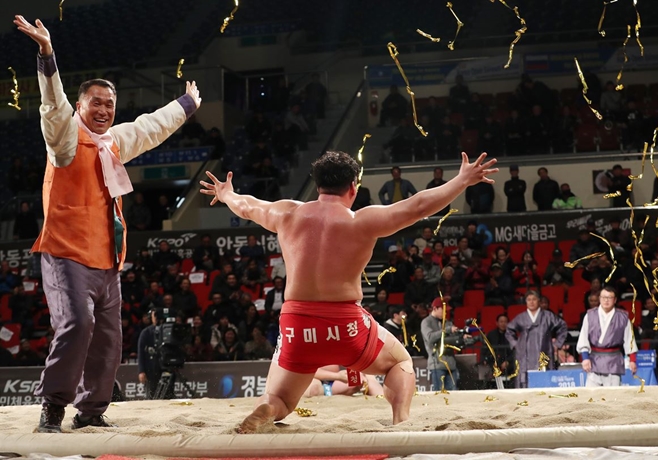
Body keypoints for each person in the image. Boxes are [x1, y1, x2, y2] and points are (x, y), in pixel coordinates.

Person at [200, 149, 497, 432]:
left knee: (280, 400)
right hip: (345, 323)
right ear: (353, 188)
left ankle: (268, 408)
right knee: (400, 362)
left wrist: (226, 193)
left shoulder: (286, 213)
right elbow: (418, 206)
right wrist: (462, 180)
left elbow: (248, 206)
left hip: (295, 323)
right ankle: (401, 423)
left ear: (317, 185)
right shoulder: (361, 220)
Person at [14, 15, 201, 433]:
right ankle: (54, 407)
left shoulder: (113, 142)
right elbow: (52, 107)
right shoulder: (64, 139)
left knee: (109, 341)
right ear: (80, 106)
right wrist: (47, 55)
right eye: (95, 102)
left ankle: (92, 412)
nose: (103, 109)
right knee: (78, 325)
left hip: (107, 259)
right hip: (66, 253)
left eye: (109, 104)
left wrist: (187, 105)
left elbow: (150, 128)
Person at [576, 287, 638, 386]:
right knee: (592, 396)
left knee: (612, 398)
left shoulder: (623, 318)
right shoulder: (589, 315)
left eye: (609, 297)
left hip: (614, 362)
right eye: (604, 297)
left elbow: (629, 339)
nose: (606, 300)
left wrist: (633, 360)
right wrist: (585, 358)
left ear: (615, 300)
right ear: (599, 298)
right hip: (594, 361)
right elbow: (583, 338)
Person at [505, 290, 568, 388]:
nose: (531, 302)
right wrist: (516, 344)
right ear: (525, 302)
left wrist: (557, 344)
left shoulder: (548, 316)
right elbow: (509, 330)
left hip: (544, 351)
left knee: (545, 381)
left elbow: (562, 326)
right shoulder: (521, 317)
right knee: (525, 382)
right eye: (529, 300)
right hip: (524, 355)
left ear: (539, 301)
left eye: (534, 299)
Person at [421, 298, 460, 391]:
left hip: (451, 365)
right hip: (437, 364)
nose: (446, 313)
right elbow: (430, 338)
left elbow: (454, 339)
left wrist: (462, 337)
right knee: (439, 394)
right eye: (444, 310)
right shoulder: (426, 322)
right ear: (435, 308)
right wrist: (447, 330)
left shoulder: (447, 322)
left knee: (454, 395)